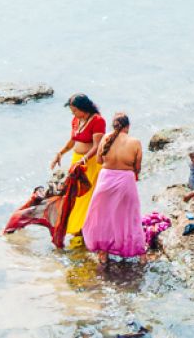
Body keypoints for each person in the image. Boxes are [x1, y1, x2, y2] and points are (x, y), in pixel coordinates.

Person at [82, 113, 146, 264]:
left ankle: (103, 252)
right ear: (128, 126)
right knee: (130, 217)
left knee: (103, 217)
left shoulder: (105, 138)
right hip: (125, 181)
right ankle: (141, 254)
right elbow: (137, 168)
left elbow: (98, 160)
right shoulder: (135, 142)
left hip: (105, 180)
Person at [51, 94, 107, 246]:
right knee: (73, 196)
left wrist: (84, 159)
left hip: (90, 163)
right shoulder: (76, 120)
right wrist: (60, 153)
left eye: (75, 110)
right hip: (77, 161)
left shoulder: (97, 121)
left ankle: (83, 228)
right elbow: (72, 141)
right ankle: (75, 227)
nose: (73, 114)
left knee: (85, 196)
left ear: (84, 108)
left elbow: (97, 146)